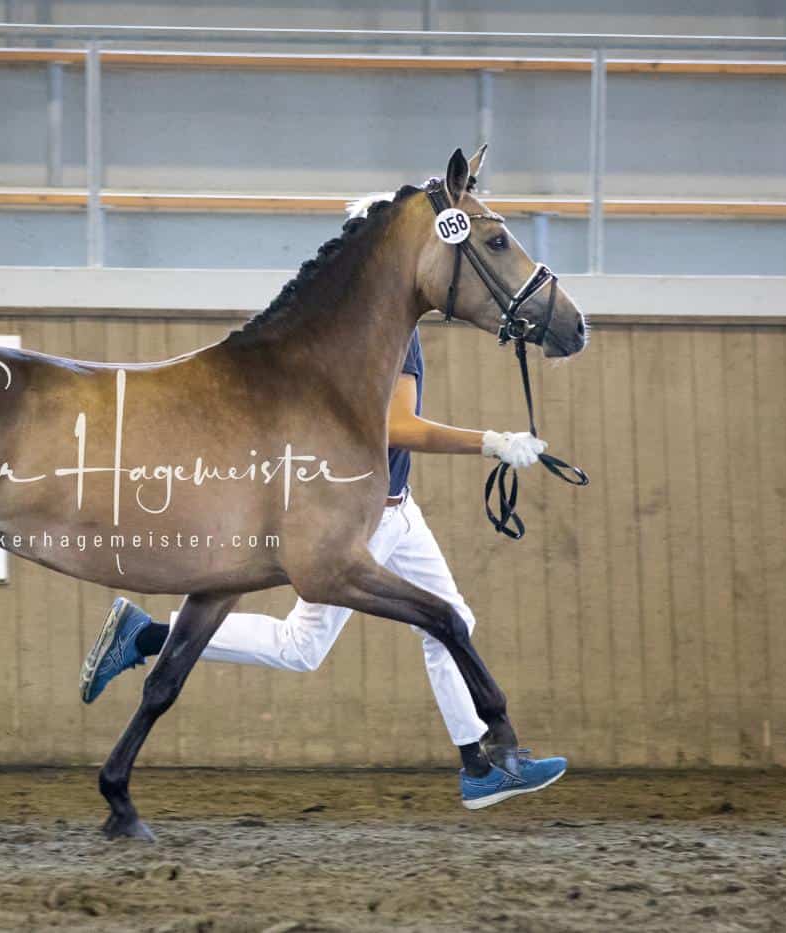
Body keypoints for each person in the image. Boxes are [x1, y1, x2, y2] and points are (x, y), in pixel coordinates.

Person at [79, 248, 568, 808]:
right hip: (366, 518)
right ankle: (146, 636)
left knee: (449, 624)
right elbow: (397, 426)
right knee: (310, 646)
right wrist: (492, 443)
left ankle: (480, 765)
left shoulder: (360, 324)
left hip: (398, 509)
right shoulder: (389, 332)